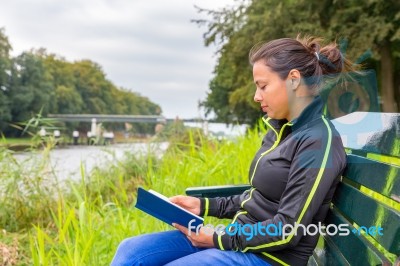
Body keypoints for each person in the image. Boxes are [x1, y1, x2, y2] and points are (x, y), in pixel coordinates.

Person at [111, 36, 354, 266]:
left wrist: (217, 239)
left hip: (271, 257)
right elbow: (258, 197)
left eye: (263, 86)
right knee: (131, 251)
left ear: (293, 79)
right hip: (238, 240)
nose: (256, 96)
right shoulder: (280, 129)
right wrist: (203, 206)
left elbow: (287, 229)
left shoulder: (318, 141)